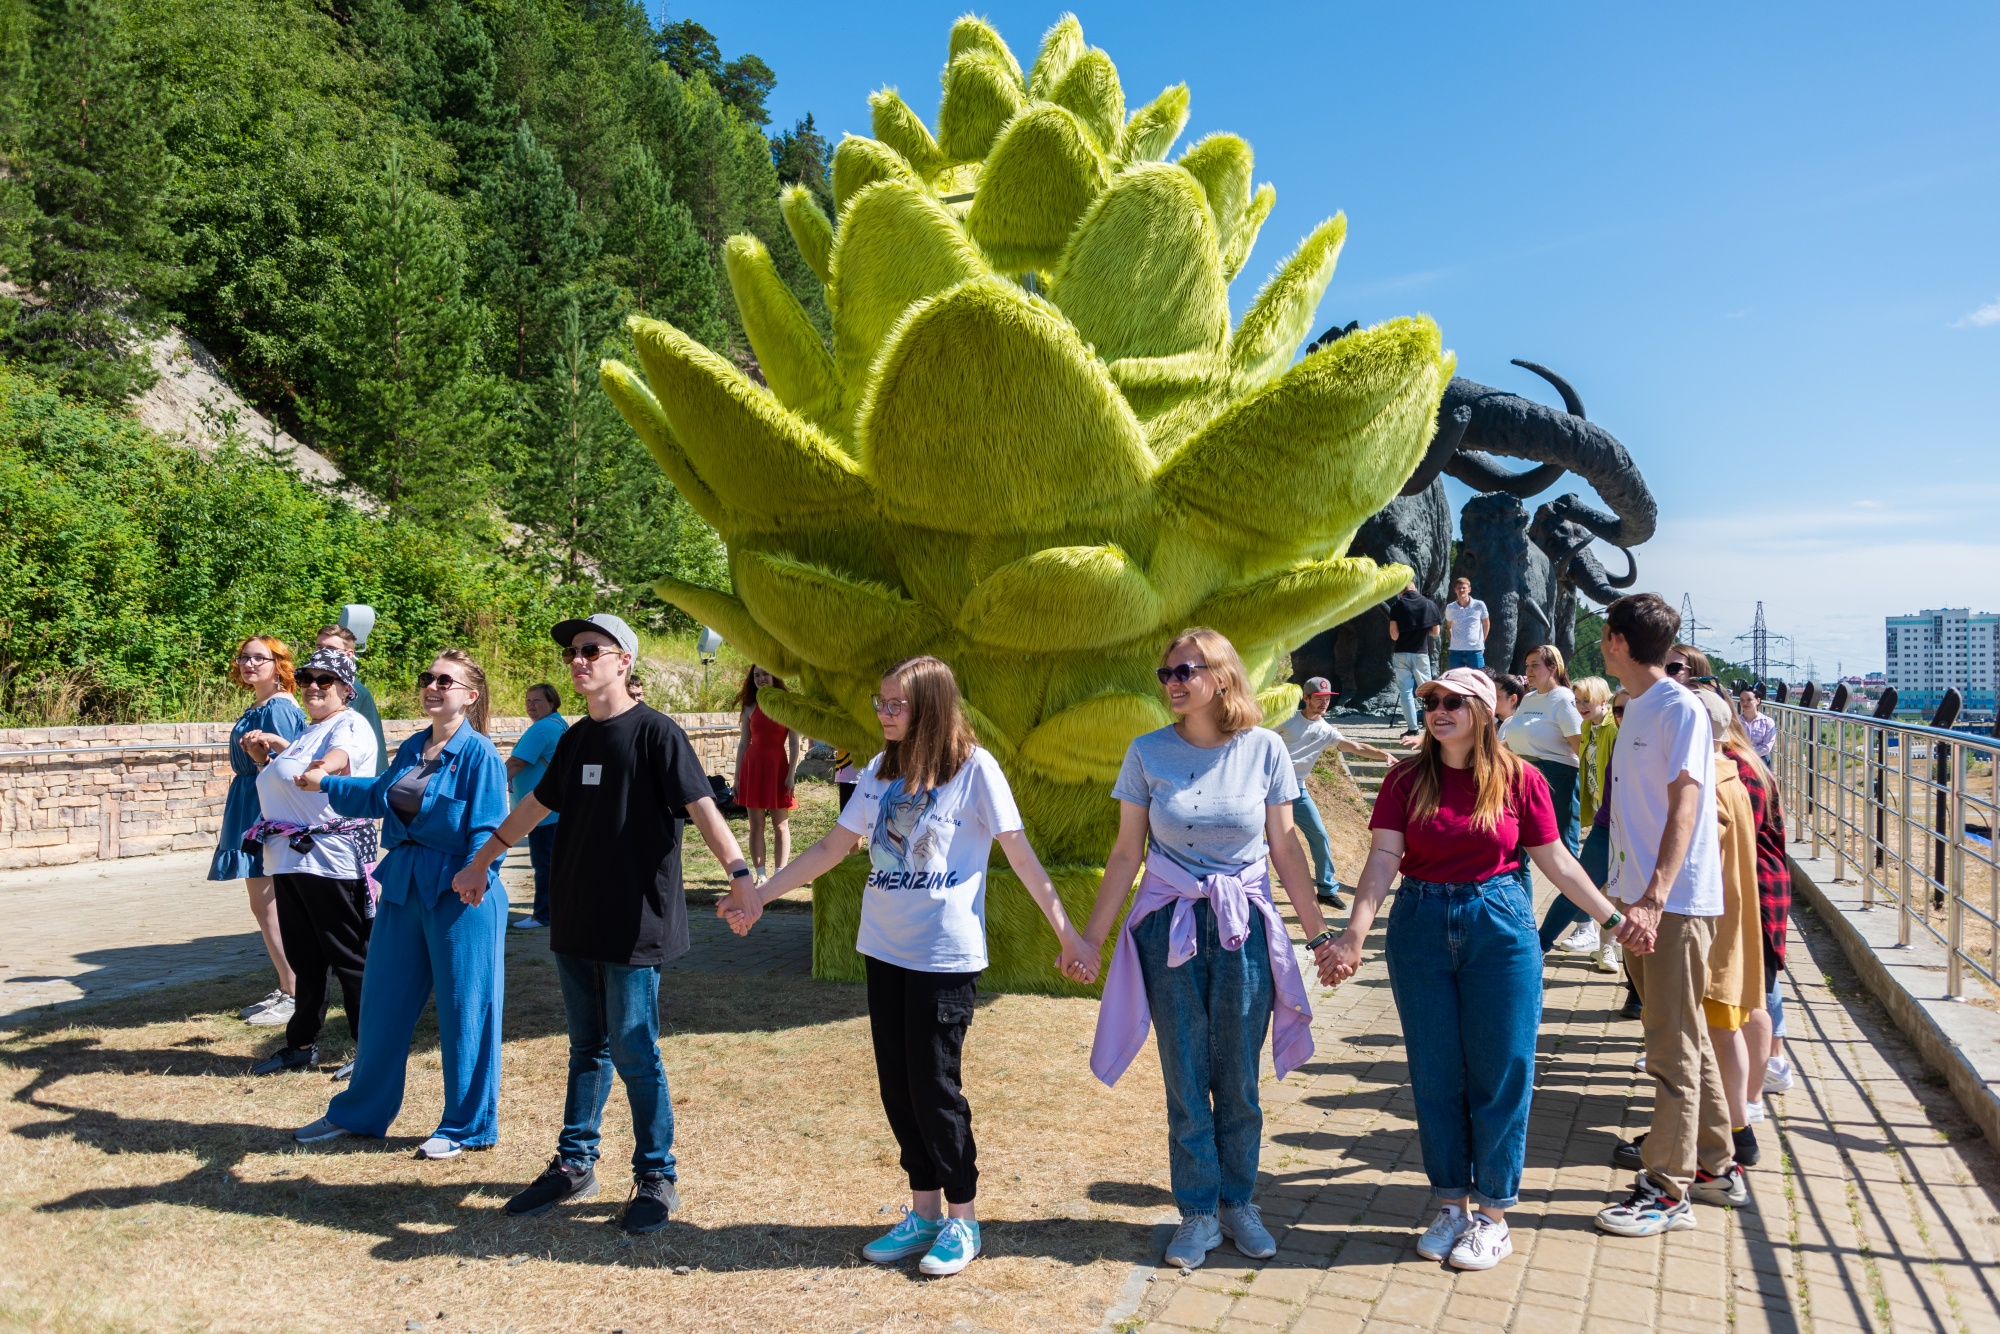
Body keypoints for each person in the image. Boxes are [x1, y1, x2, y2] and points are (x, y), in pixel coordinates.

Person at [723, 655, 1093, 1277]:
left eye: (897, 704)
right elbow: (833, 846)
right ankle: (923, 1212)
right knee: (897, 1085)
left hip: (943, 957)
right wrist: (759, 895)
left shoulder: (975, 770)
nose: (885, 713)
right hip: (883, 950)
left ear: (931, 706)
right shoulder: (878, 771)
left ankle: (964, 1220)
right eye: (881, 703)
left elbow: (1022, 858)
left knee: (934, 1086)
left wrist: (1070, 935)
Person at [1323, 667, 1633, 1271]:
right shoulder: (1405, 777)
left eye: (1452, 702)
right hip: (1419, 922)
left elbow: (1557, 862)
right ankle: (1449, 1205)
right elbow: (1384, 856)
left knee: (1503, 1069)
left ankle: (1493, 1215)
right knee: (1436, 1073)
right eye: (1430, 701)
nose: (1438, 710)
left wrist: (1612, 921)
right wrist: (1355, 932)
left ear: (1486, 711)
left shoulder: (1521, 779)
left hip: (1499, 921)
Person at [456, 614, 756, 1236]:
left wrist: (740, 873)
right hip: (575, 917)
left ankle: (655, 1174)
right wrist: (483, 859)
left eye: (592, 649)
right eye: (573, 651)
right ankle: (574, 1163)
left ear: (624, 662)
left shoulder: (656, 734)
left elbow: (702, 806)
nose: (578, 659)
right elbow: (535, 806)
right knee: (586, 1048)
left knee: (634, 1049)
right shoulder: (572, 740)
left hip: (634, 923)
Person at [1081, 628, 1341, 1273]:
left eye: (1184, 671)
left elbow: (1285, 848)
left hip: (1244, 927)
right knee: (1186, 1076)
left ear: (1220, 676)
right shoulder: (1147, 753)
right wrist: (1090, 937)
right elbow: (1124, 854)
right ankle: (1196, 1213)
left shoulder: (1265, 751)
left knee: (1239, 1078)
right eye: (1165, 673)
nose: (1171, 682)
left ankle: (1240, 1203)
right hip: (1167, 927)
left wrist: (1318, 935)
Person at [290, 649, 511, 1161]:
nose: (432, 686)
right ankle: (360, 1113)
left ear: (470, 696)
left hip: (462, 890)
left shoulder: (480, 754)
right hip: (404, 883)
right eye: (427, 678)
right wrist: (324, 782)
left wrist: (478, 873)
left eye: (445, 680)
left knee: (466, 1011)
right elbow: (379, 797)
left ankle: (465, 1124)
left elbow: (487, 825)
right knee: (383, 1003)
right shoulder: (414, 745)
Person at [1594, 595, 1742, 1238]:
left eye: (1605, 635)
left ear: (1617, 641)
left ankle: (1666, 1187)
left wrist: (1654, 896)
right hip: (1643, 901)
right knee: (1688, 1039)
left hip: (1671, 906)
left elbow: (1688, 804)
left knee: (1670, 1047)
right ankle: (1713, 1164)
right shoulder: (1640, 709)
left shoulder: (1677, 708)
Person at [243, 648, 380, 1079]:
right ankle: (300, 1044)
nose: (313, 687)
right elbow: (290, 778)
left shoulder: (350, 723)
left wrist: (323, 768)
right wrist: (269, 758)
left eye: (325, 680)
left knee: (349, 957)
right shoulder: (307, 730)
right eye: (306, 680)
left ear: (345, 688)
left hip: (327, 861)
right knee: (306, 958)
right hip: (290, 859)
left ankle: (371, 1051)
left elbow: (340, 758)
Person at [210, 636, 306, 1028]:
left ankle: (295, 992)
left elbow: (290, 763)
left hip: (264, 807)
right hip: (249, 801)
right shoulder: (261, 704)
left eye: (258, 658)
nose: (249, 664)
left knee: (270, 905)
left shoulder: (279, 708)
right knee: (264, 904)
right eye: (244, 657)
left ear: (278, 664)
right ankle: (287, 987)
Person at [1692, 688, 1766, 1171]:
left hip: (1711, 924)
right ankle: (1737, 1128)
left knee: (1713, 1031)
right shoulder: (1735, 772)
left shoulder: (1710, 783)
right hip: (1733, 919)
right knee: (1726, 1027)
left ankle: (1730, 1136)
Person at [1273, 677, 1394, 909]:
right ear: (1306, 698)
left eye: (1327, 699)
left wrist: (1382, 754)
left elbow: (1355, 747)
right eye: (1319, 698)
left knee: (1319, 835)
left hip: (1298, 789)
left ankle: (1326, 889)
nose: (1324, 703)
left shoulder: (1327, 731)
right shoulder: (1286, 720)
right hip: (1271, 788)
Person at [1540, 677, 1620, 972]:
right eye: (1577, 701)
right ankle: (1549, 944)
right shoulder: (1588, 728)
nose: (1581, 706)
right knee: (1588, 884)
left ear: (1603, 700)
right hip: (1603, 818)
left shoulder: (1615, 727)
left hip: (1622, 822)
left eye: (1586, 700)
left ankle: (1545, 944)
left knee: (1590, 884)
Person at [1505, 645, 1584, 855]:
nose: (1528, 671)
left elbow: (1580, 746)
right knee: (1518, 846)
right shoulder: (1529, 698)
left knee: (1563, 844)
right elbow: (1514, 737)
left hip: (1557, 776)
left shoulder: (1564, 699)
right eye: (1527, 666)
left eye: (1535, 665)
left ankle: (1572, 889)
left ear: (1554, 668)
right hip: (1522, 773)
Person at [506, 683, 567, 931]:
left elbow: (516, 763)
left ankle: (543, 915)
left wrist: (483, 786)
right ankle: (554, 913)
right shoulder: (558, 724)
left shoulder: (542, 729)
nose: (531, 705)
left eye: (538, 701)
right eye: (528, 700)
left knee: (544, 864)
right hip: (553, 808)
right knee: (553, 864)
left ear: (552, 703)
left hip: (542, 810)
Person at [734, 666, 802, 881]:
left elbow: (794, 742)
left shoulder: (788, 705)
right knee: (756, 826)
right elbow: (744, 743)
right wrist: (736, 778)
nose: (761, 679)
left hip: (778, 768)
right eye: (756, 676)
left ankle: (780, 874)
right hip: (752, 768)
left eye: (765, 674)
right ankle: (761, 875)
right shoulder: (749, 706)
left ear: (774, 676)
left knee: (780, 825)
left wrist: (791, 774)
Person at [316, 624, 386, 766]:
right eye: (318, 648)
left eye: (330, 649)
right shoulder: (331, 683)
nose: (322, 654)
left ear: (349, 655)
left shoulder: (348, 688)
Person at [1387, 580, 1442, 736]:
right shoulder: (1429, 604)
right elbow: (1435, 632)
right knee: (1428, 692)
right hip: (1420, 653)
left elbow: (1394, 635)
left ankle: (1413, 729)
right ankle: (1432, 727)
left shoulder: (1397, 606)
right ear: (1415, 589)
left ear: (1400, 591)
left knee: (1406, 693)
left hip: (1401, 653)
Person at [1443, 577, 1491, 670]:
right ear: (1455, 590)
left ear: (1469, 589)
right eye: (1459, 588)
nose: (1461, 590)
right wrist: (1453, 640)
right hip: (1456, 651)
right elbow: (1448, 626)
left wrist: (1482, 642)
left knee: (1478, 678)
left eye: (1464, 588)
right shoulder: (1450, 607)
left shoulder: (1479, 605)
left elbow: (1486, 624)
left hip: (1475, 650)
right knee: (1455, 680)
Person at [1739, 686, 1776, 761]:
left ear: (1758, 701)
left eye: (1749, 700)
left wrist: (1747, 753)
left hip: (1761, 762)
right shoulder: (1736, 722)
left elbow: (1767, 747)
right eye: (1742, 700)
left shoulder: (1767, 722)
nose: (1745, 703)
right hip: (1740, 761)